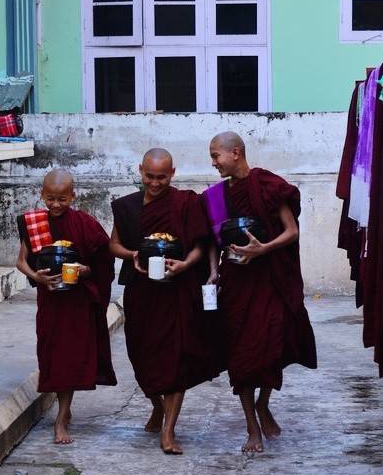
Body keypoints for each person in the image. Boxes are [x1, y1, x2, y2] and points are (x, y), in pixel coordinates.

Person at [202, 132, 317, 453]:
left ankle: (264, 403)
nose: (213, 163)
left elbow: (291, 231)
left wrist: (263, 248)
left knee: (272, 345)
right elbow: (212, 241)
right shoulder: (215, 197)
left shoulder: (266, 185)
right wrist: (213, 270)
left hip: (268, 279)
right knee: (241, 354)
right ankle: (251, 427)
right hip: (237, 283)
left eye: (216, 156)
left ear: (235, 153)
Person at [110, 148, 219, 455]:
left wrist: (185, 265)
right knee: (142, 357)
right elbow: (113, 244)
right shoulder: (127, 206)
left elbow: (201, 242)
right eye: (149, 176)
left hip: (177, 291)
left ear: (173, 173)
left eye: (161, 177)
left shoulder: (186, 203)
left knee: (175, 358)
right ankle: (157, 406)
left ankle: (169, 430)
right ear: (140, 171)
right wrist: (131, 255)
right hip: (142, 293)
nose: (155, 183)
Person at [16, 169, 117, 445]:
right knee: (52, 355)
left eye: (62, 198)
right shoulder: (34, 222)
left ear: (73, 195)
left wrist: (85, 271)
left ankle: (61, 418)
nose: (56, 205)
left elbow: (104, 260)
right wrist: (36, 276)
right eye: (50, 198)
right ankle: (64, 410)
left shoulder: (85, 223)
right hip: (50, 300)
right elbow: (21, 261)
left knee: (70, 358)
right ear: (42, 195)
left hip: (77, 302)